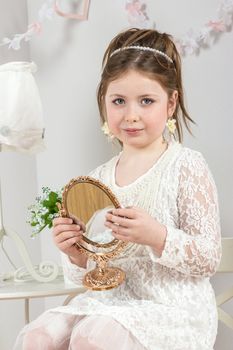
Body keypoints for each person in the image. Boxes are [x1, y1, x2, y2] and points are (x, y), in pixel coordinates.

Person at [14, 28, 221, 350]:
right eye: (119, 101)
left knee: (93, 336)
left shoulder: (185, 166)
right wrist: (74, 252)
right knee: (41, 335)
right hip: (111, 304)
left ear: (171, 103)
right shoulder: (97, 180)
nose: (131, 115)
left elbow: (208, 259)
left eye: (147, 101)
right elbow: (92, 274)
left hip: (173, 308)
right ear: (104, 102)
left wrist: (156, 235)